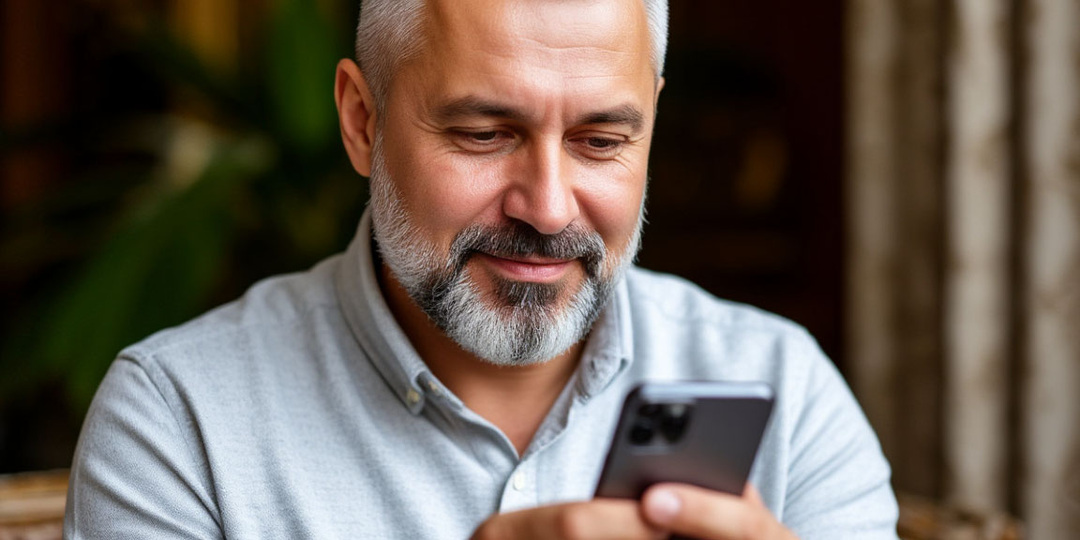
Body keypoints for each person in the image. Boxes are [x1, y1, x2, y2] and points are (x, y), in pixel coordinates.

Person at [64, 0, 899, 538]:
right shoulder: (177, 422)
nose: (546, 207)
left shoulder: (783, 390)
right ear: (363, 122)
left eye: (602, 142)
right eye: (482, 134)